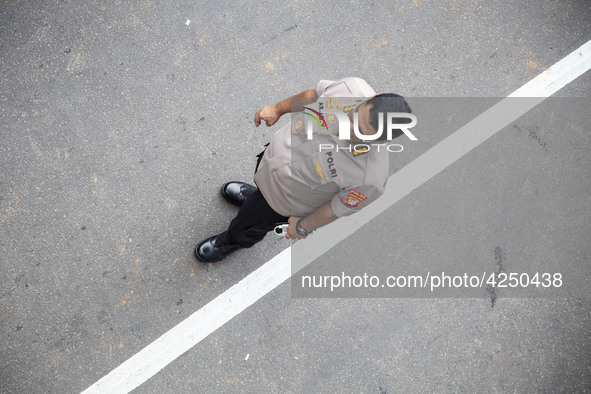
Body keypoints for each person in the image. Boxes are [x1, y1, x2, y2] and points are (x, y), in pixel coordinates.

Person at [195, 77, 412, 262]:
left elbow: (334, 209)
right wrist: (277, 109)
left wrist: (303, 226)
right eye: (355, 116)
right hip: (272, 159)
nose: (350, 129)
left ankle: (234, 239)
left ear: (382, 141)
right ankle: (255, 195)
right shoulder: (350, 88)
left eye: (363, 133)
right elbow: (313, 95)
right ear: (372, 98)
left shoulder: (369, 179)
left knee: (252, 224)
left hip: (281, 202)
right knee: (258, 194)